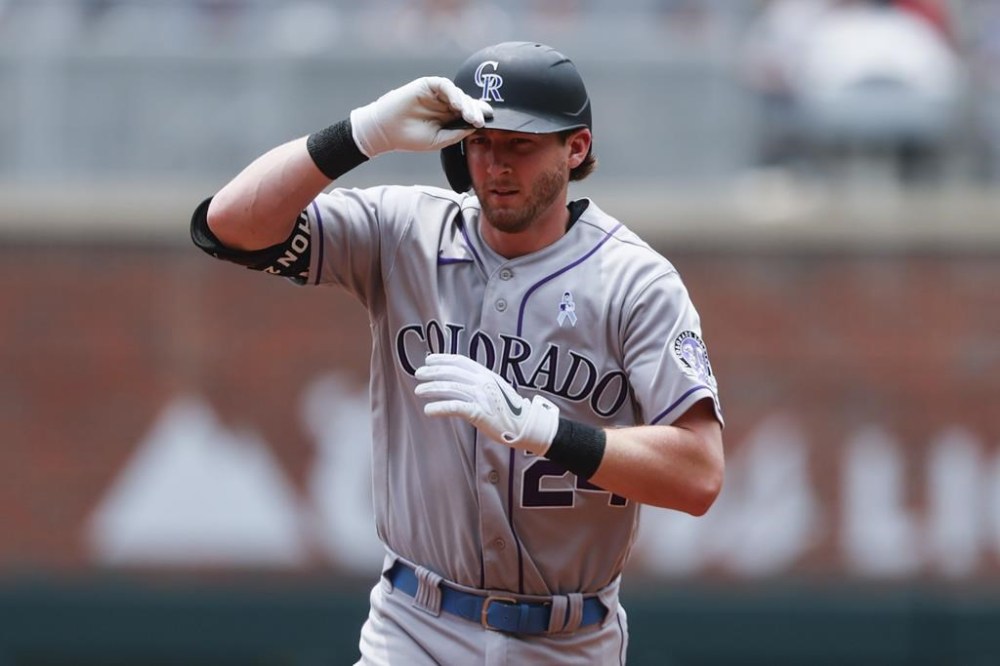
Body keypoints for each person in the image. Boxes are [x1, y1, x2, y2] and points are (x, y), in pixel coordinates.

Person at [191, 41, 724, 665]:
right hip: (414, 624)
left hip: (568, 639)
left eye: (519, 144)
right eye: (479, 141)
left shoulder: (634, 281)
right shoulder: (406, 230)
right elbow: (228, 228)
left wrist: (541, 429)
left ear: (575, 147)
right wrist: (361, 133)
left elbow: (698, 474)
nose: (495, 163)